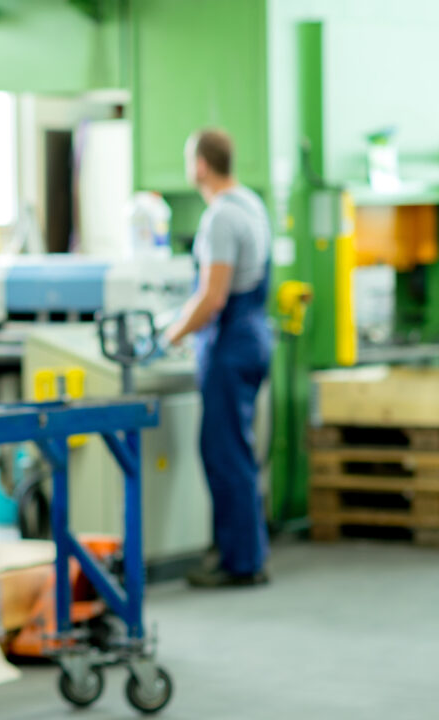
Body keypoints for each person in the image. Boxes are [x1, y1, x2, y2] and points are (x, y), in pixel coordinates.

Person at [162, 128, 273, 588]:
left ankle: (240, 562)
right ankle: (244, 552)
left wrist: (171, 334)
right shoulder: (251, 203)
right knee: (237, 450)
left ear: (201, 165)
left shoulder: (221, 218)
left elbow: (212, 297)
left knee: (224, 454)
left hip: (230, 346)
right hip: (253, 336)